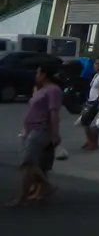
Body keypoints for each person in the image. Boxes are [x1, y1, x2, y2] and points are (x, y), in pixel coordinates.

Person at [10, 60, 63, 206]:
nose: (36, 75)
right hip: (30, 129)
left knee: (27, 163)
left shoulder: (53, 90)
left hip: (41, 129)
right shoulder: (41, 89)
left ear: (45, 75)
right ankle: (43, 187)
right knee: (31, 163)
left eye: (38, 72)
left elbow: (54, 113)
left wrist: (55, 133)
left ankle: (22, 197)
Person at [79, 56, 99, 150]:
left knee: (93, 123)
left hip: (97, 100)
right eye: (95, 63)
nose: (97, 65)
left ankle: (94, 143)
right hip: (91, 100)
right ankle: (90, 141)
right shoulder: (97, 74)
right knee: (86, 121)